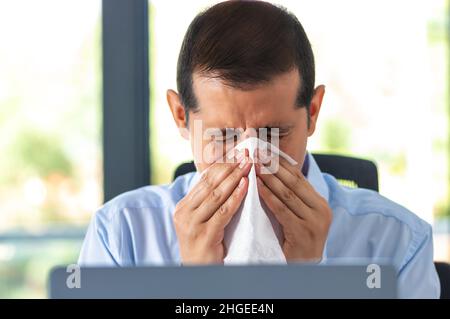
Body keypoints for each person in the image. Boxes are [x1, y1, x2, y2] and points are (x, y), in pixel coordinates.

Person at [78, 0, 440, 298]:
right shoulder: (121, 236)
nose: (250, 157)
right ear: (181, 117)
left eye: (273, 133)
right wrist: (197, 289)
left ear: (312, 113)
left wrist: (306, 284)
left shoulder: (397, 244)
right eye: (223, 136)